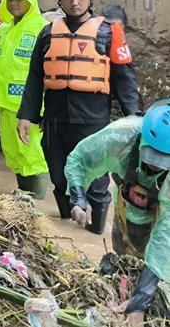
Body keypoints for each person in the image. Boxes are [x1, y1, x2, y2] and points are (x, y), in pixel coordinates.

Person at [17, 0, 141, 233]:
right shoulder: (48, 33)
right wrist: (26, 115)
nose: (75, 2)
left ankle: (95, 231)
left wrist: (134, 120)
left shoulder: (110, 33)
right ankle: (66, 226)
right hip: (55, 117)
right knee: (59, 174)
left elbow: (125, 80)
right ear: (60, 2)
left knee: (96, 178)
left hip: (93, 118)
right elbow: (35, 77)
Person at [65, 99, 170, 325]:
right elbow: (79, 159)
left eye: (161, 164)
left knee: (161, 273)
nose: (154, 167)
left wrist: (142, 300)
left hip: (164, 206)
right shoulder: (120, 136)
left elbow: (165, 238)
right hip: (128, 198)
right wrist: (79, 197)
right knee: (124, 257)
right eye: (150, 159)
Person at [0, 0, 49, 199]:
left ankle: (37, 206)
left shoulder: (42, 29)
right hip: (5, 106)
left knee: (32, 155)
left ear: (31, 0)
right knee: (14, 155)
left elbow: (48, 73)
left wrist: (44, 111)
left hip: (30, 109)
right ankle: (23, 201)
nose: (13, 3)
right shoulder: (2, 31)